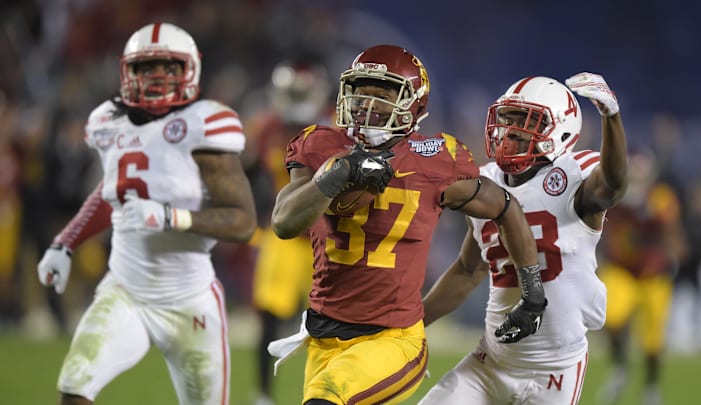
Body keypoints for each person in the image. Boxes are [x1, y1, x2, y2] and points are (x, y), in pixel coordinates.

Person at [268, 44, 541, 405]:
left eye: (382, 95)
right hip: (323, 337)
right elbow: (285, 222)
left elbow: (505, 207)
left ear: (414, 103)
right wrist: (340, 172)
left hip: (392, 340)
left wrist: (532, 289)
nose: (367, 105)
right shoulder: (321, 147)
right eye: (361, 92)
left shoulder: (436, 160)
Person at [35, 22, 257, 405]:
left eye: (168, 67)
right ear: (126, 71)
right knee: (74, 389)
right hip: (125, 291)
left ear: (189, 70)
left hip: (190, 300)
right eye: (145, 67)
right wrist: (65, 243)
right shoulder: (108, 120)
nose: (156, 78)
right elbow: (113, 194)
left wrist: (172, 217)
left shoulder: (204, 123)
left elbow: (242, 221)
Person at [419, 72, 628, 404]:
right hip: (490, 362)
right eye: (506, 120)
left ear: (559, 130)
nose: (508, 132)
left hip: (554, 372)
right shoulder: (485, 182)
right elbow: (468, 271)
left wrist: (610, 117)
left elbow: (613, 185)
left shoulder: (574, 175)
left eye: (525, 121)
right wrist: (411, 327)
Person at [248, 60, 333, 405]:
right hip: (282, 234)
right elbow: (250, 172)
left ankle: (327, 391)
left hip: (325, 234)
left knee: (329, 319)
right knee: (269, 316)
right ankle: (263, 396)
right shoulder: (267, 126)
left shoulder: (332, 126)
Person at [595, 149, 687, 405]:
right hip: (621, 268)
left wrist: (668, 251)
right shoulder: (613, 193)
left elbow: (673, 235)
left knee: (652, 340)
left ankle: (651, 388)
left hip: (652, 273)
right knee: (610, 317)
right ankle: (621, 367)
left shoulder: (660, 198)